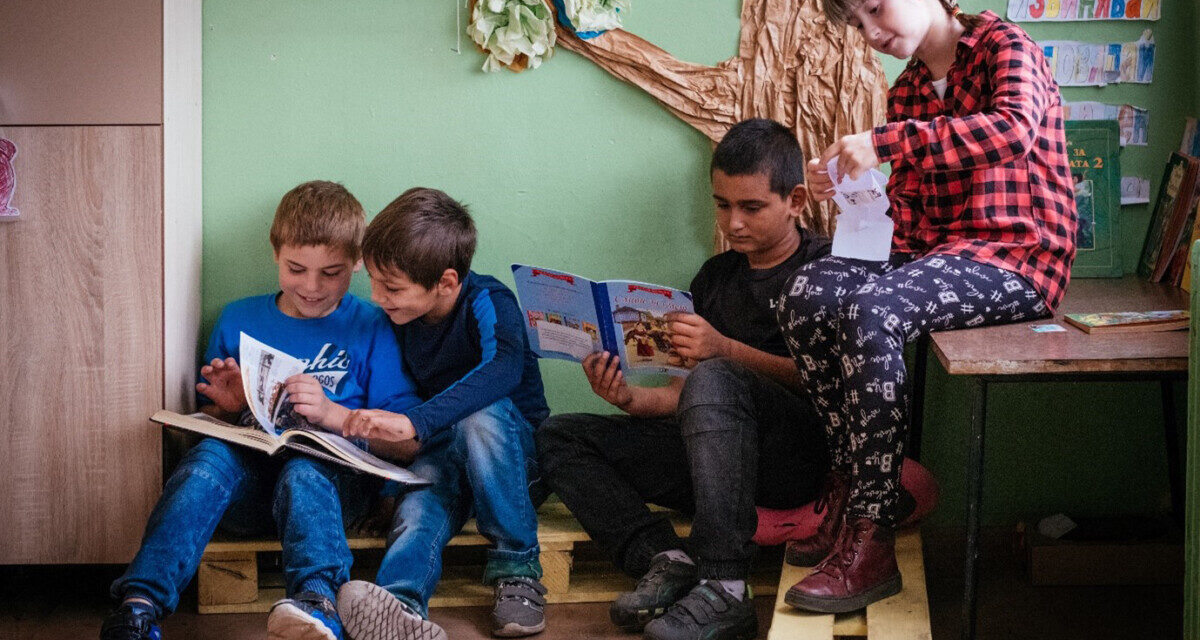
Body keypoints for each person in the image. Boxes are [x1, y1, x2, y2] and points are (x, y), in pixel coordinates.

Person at [777, 0, 1075, 614]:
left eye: (877, 9)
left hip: (1020, 259)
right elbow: (912, 221)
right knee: (803, 292)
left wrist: (884, 143)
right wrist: (854, 192)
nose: (874, 32)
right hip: (940, 258)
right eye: (859, 23)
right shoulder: (909, 90)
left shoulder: (1005, 47)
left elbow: (1013, 128)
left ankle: (872, 534)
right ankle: (850, 491)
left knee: (872, 309)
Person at [537, 118, 832, 640]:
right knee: (560, 434)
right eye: (722, 205)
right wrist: (629, 398)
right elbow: (684, 393)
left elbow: (837, 385)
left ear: (796, 200)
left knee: (717, 376)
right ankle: (666, 559)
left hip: (795, 459)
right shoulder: (714, 278)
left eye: (751, 207)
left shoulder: (829, 270)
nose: (733, 222)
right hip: (713, 462)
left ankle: (725, 587)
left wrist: (725, 349)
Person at [101, 180, 423, 640]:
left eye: (331, 273)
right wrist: (230, 411)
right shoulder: (238, 319)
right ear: (275, 254)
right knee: (207, 460)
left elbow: (409, 443)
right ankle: (138, 606)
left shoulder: (373, 325)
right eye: (296, 269)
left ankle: (318, 603)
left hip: (331, 494)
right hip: (250, 497)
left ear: (357, 263)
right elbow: (206, 435)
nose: (312, 287)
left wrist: (335, 413)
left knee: (304, 471)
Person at [333, 187, 550, 640]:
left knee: (479, 416)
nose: (376, 297)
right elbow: (404, 405)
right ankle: (400, 605)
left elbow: (503, 370)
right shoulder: (402, 320)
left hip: (515, 464)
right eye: (372, 280)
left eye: (391, 287)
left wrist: (417, 423)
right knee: (420, 506)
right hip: (445, 452)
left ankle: (519, 566)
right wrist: (393, 483)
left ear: (447, 282)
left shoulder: (489, 301)